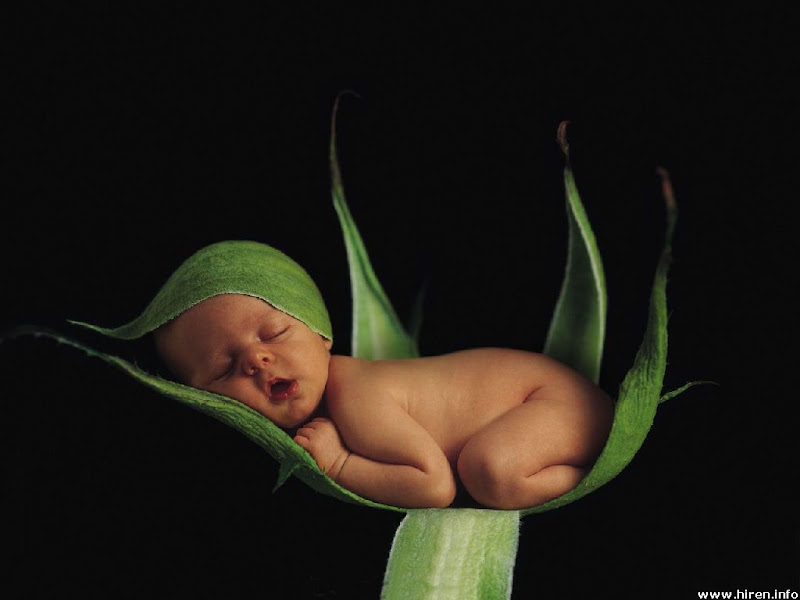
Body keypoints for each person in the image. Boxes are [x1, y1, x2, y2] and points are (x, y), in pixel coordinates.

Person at [149, 241, 613, 510]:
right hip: (542, 405)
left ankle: (602, 472)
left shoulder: (354, 390)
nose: (257, 361)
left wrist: (339, 465)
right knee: (488, 464)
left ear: (321, 334)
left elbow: (433, 485)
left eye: (275, 332)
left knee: (491, 469)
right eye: (225, 368)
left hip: (550, 400)